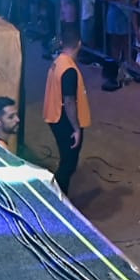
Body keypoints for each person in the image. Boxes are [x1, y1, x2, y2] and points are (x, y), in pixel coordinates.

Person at [45, 27, 89, 194]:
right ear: (79, 43)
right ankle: (57, 197)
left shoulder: (59, 61)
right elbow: (69, 101)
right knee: (68, 164)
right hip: (64, 120)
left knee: (66, 160)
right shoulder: (69, 70)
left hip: (53, 115)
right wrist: (76, 129)